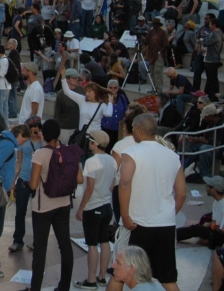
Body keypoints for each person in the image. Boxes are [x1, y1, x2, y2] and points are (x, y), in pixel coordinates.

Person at [117, 114, 186, 291]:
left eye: (132, 130)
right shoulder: (172, 155)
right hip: (166, 224)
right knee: (168, 277)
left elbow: (124, 183)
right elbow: (181, 193)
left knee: (119, 273)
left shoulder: (131, 153)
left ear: (139, 131)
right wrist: (169, 213)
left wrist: (125, 215)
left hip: (138, 223)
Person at [27, 119, 84, 291]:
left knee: (40, 249)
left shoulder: (40, 154)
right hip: (64, 204)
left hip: (43, 207)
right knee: (65, 246)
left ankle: (35, 287)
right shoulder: (68, 151)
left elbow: (33, 185)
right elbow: (80, 179)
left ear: (43, 133)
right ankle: (64, 286)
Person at [0, 124, 29, 279]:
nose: (23, 143)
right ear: (20, 134)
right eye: (24, 139)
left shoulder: (5, 141)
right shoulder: (8, 145)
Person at [74, 129, 117, 290]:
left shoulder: (92, 162)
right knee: (105, 242)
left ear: (94, 144)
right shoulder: (112, 160)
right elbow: (112, 185)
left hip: (93, 207)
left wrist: (80, 209)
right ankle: (101, 277)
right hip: (107, 206)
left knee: (92, 244)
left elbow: (89, 188)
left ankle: (90, 280)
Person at [9, 115, 43, 252]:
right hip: (23, 180)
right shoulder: (25, 143)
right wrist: (13, 181)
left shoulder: (42, 142)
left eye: (36, 131)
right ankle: (18, 241)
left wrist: (42, 139)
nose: (33, 134)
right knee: (20, 213)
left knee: (38, 214)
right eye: (31, 131)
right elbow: (19, 163)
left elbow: (48, 156)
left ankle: (37, 241)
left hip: (38, 182)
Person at [176, 175, 224, 247]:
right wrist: (210, 226)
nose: (206, 187)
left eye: (208, 186)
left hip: (222, 235)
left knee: (196, 229)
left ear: (214, 190)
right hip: (218, 230)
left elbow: (222, 230)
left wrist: (211, 226)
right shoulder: (216, 202)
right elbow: (214, 222)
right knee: (202, 223)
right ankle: (174, 233)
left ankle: (173, 235)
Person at [203, 18, 224, 99]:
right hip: (210, 58)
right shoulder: (213, 33)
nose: (209, 25)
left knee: (212, 79)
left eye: (210, 24)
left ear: (214, 25)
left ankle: (214, 95)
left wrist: (203, 42)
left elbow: (206, 42)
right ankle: (208, 94)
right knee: (210, 79)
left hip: (212, 59)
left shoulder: (215, 34)